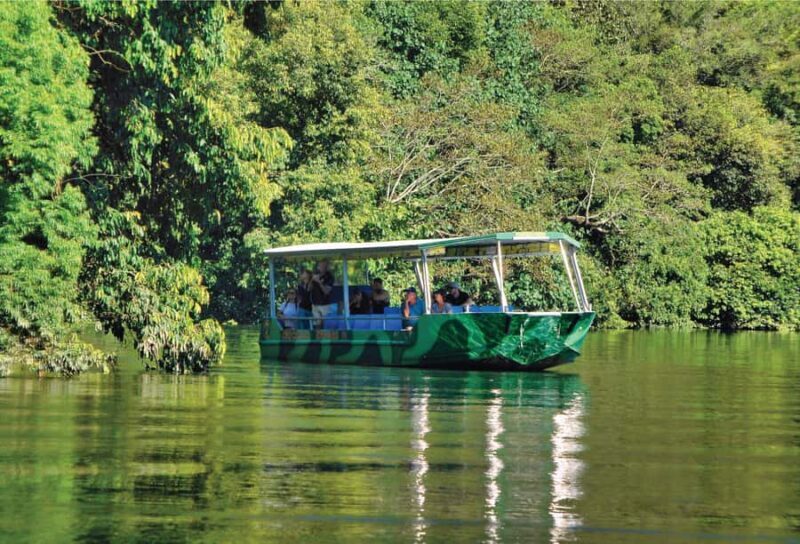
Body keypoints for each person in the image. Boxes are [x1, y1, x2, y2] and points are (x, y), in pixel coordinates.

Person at [310, 259, 335, 328]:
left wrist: (319, 282)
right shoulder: (315, 275)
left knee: (325, 324)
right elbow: (309, 289)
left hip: (325, 304)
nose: (320, 267)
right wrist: (312, 280)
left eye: (323, 266)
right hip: (315, 304)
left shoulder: (329, 277)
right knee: (317, 325)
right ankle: (318, 338)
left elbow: (326, 291)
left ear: (326, 267)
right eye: (320, 265)